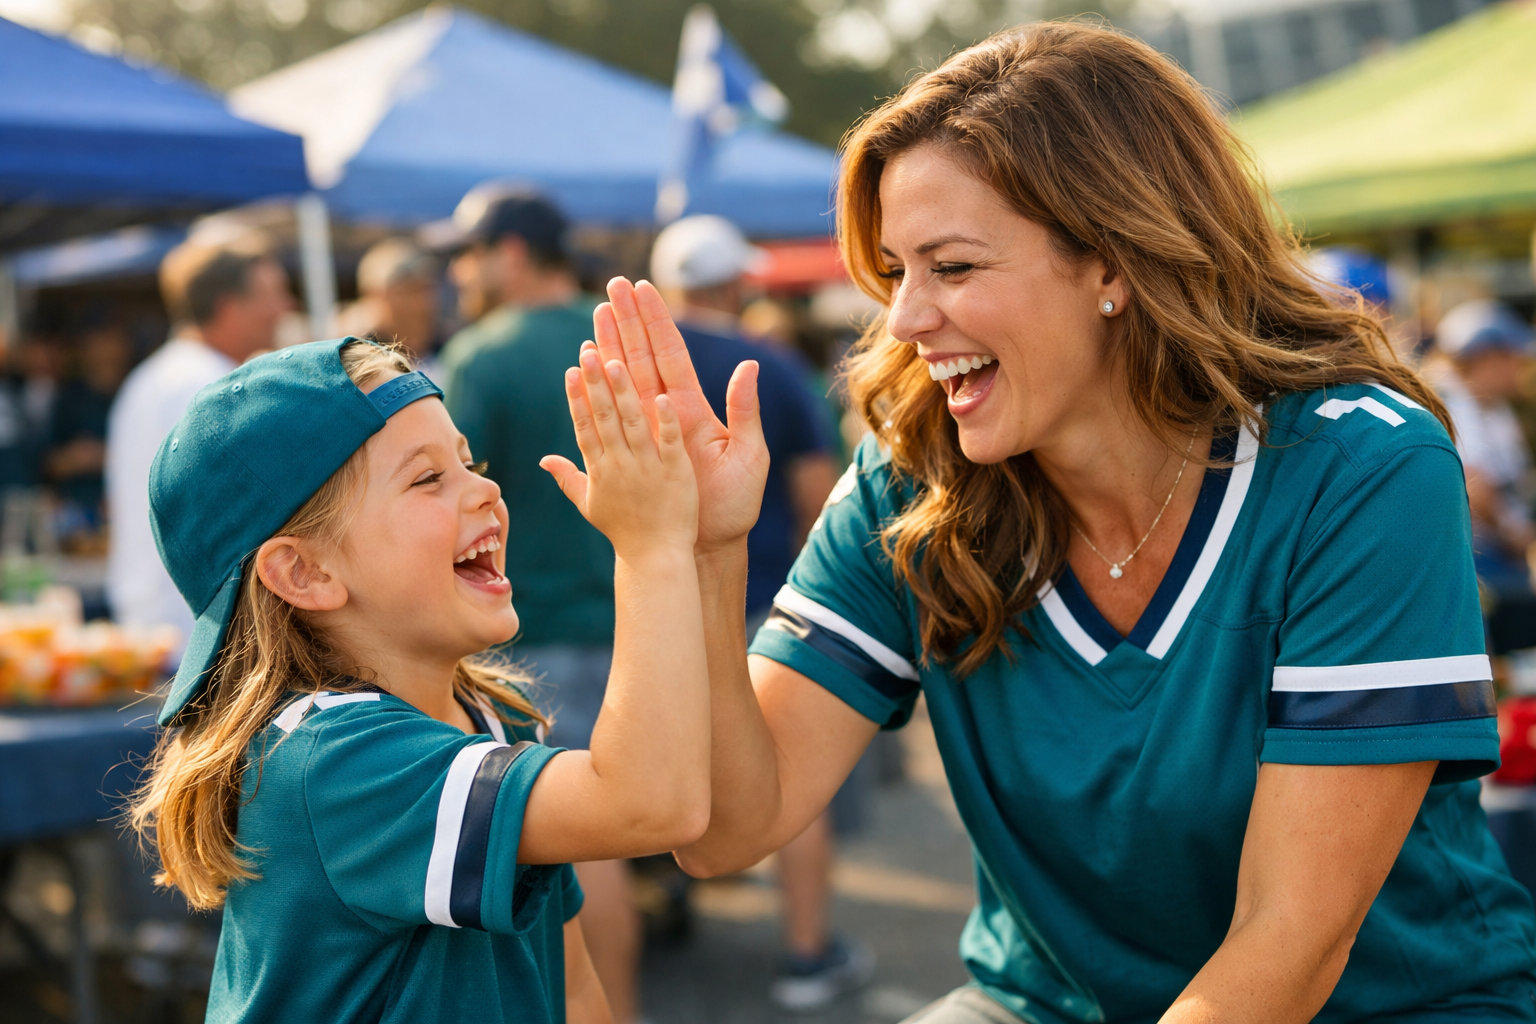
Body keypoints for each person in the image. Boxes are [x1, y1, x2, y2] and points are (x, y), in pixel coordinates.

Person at [596, 22, 1536, 1024]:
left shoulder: (1362, 467)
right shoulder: (912, 475)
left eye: (951, 268)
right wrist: (702, 552)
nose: (905, 318)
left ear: (1112, 264)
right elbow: (727, 830)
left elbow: (1288, 938)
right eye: (896, 270)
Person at [127, 336, 709, 1023]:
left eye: (470, 462)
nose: (487, 488)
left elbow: (571, 986)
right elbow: (651, 803)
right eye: (428, 479)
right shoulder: (328, 763)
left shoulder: (495, 720)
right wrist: (653, 549)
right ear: (304, 573)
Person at [433, 186, 644, 1024]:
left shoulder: (484, 353)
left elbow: (447, 499)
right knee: (613, 842)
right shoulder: (617, 339)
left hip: (527, 631)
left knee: (576, 847)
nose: (459, 272)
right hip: (630, 616)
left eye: (469, 253)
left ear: (510, 254)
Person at [650, 216, 861, 1012]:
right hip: (760, 600)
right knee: (783, 783)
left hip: (637, 616)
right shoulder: (768, 363)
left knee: (658, 776)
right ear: (736, 281)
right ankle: (807, 953)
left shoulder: (630, 369)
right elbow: (817, 494)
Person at [107, 239, 292, 651]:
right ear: (229, 307)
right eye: (273, 294)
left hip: (154, 624)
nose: (285, 308)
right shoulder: (220, 388)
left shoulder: (148, 378)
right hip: (207, 638)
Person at [1431, 300, 1536, 601]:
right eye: (1513, 357)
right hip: (1471, 560)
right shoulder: (1449, 402)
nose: (1521, 367)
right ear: (1486, 358)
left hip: (1497, 553)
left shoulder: (1496, 407)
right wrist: (1519, 538)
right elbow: (1476, 489)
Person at [336, 238, 446, 380]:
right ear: (373, 295)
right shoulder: (352, 360)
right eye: (409, 290)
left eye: (427, 289)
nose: (422, 303)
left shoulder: (450, 347)